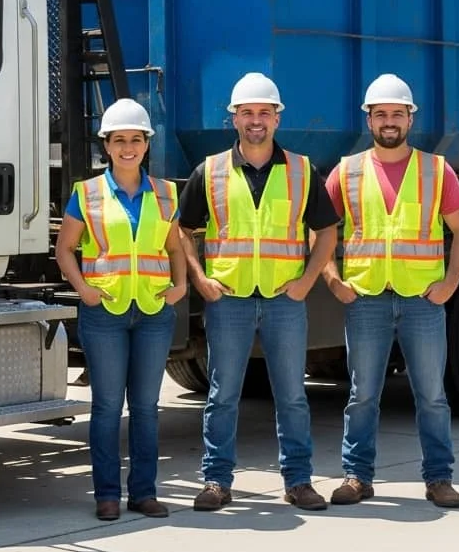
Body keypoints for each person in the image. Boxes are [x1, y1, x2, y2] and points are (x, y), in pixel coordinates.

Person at [176, 72, 340, 512]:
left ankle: (299, 481)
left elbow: (327, 231)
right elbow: (182, 230)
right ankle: (216, 481)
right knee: (222, 395)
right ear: (233, 118)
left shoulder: (302, 171)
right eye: (247, 112)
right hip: (228, 299)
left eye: (264, 112)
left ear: (277, 118)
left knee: (292, 395)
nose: (255, 120)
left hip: (284, 300)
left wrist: (307, 281)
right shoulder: (209, 171)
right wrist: (200, 279)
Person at [320, 73, 459, 509]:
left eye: (397, 113)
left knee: (432, 396)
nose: (389, 121)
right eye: (381, 114)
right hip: (365, 299)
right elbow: (321, 232)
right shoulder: (347, 171)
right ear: (368, 119)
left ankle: (439, 479)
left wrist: (450, 284)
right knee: (362, 395)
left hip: (422, 300)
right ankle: (357, 477)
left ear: (410, 119)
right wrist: (332, 279)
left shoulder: (436, 170)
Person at [55, 98, 188, 522]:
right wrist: (84, 291)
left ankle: (144, 494)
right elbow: (64, 249)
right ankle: (107, 495)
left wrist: (181, 286)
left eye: (135, 139)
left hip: (153, 313)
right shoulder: (88, 193)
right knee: (108, 407)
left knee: (146, 407)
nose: (128, 148)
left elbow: (175, 246)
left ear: (146, 144)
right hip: (105, 314)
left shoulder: (166, 193)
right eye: (119, 140)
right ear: (107, 146)